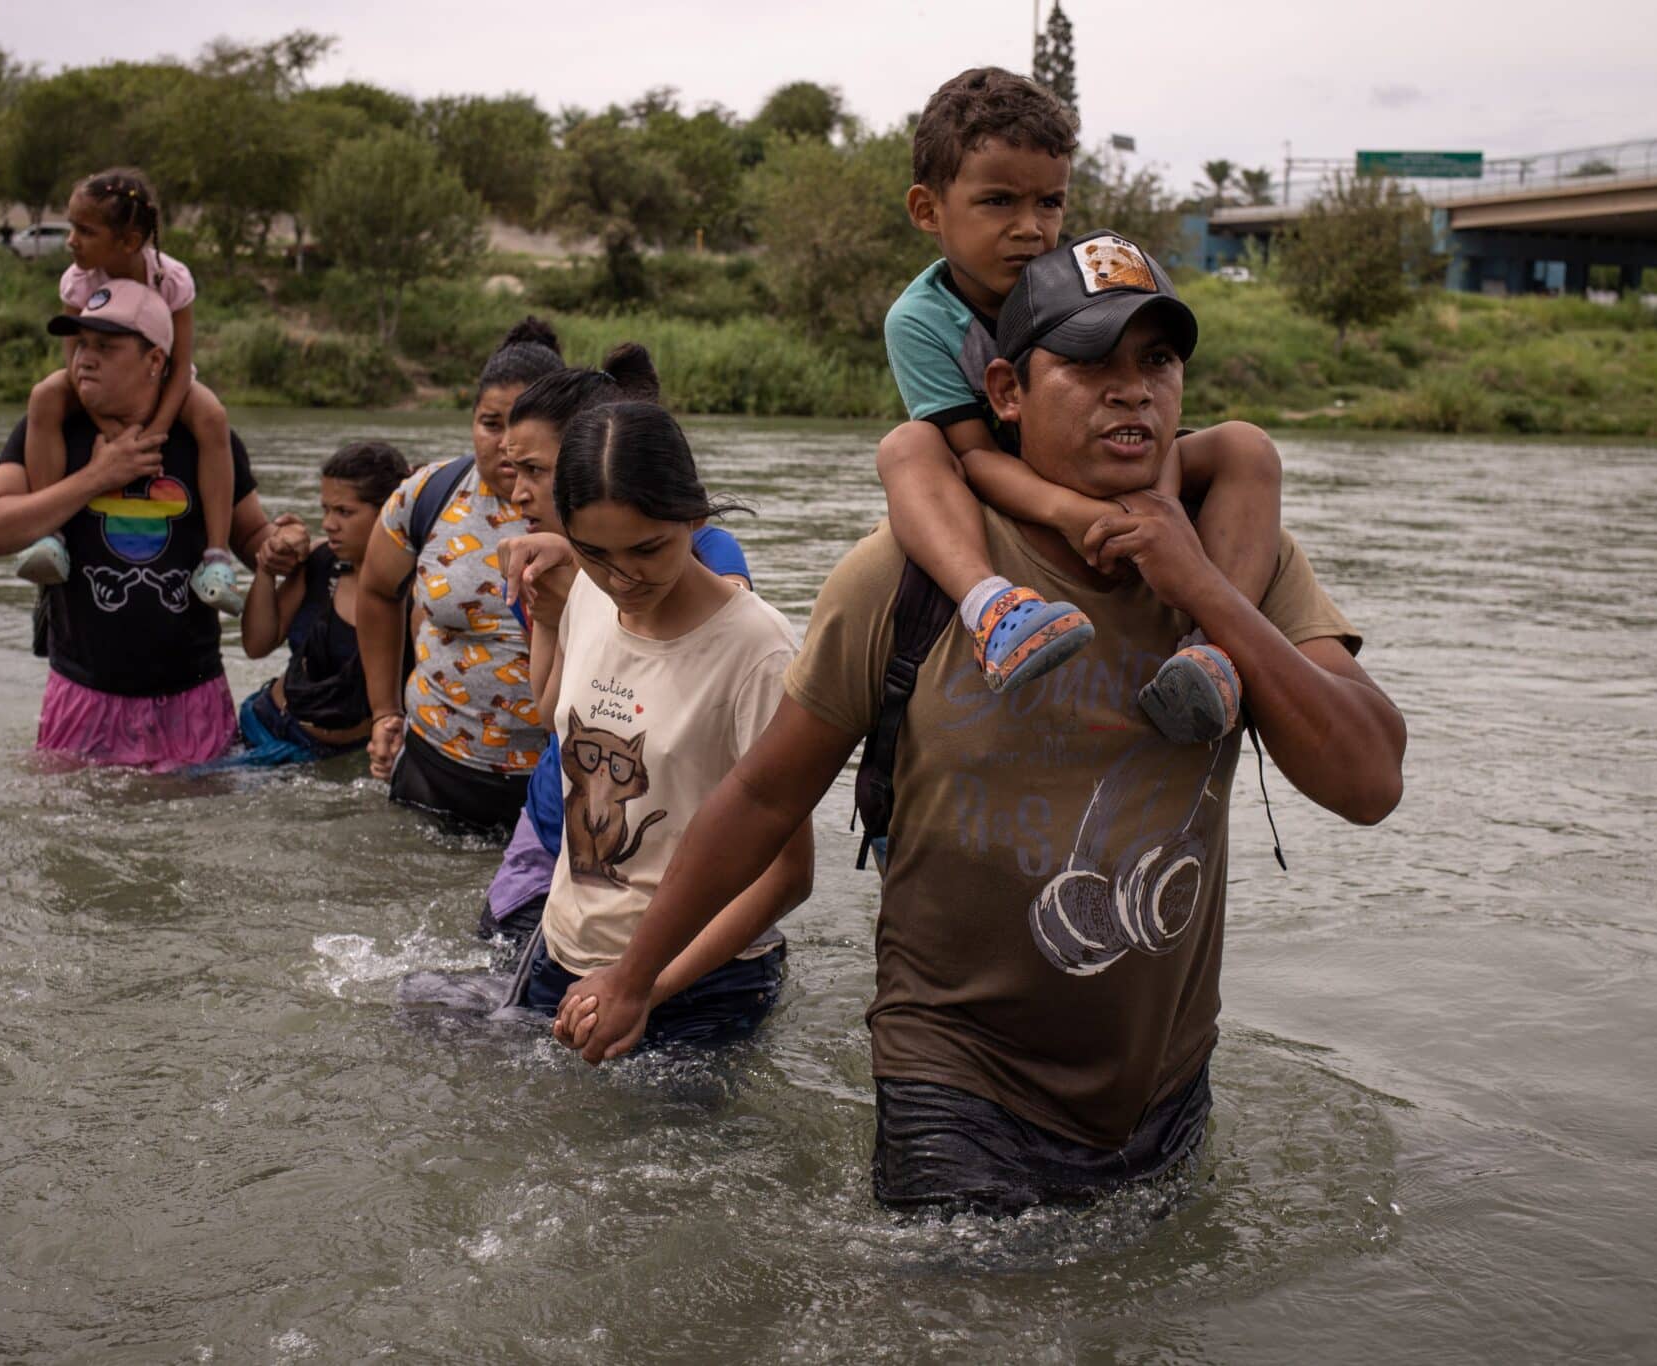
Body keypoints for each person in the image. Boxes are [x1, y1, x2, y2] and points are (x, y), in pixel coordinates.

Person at [557, 238, 1406, 1215]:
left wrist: (1207, 595)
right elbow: (761, 793)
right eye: (1090, 365)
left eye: (1157, 364)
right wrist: (633, 977)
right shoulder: (910, 574)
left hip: (1162, 1084)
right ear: (1005, 389)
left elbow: (1366, 781)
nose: (1131, 394)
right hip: (952, 1079)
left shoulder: (1240, 557)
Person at [879, 68, 1283, 745]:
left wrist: (1154, 506)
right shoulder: (920, 319)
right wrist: (1079, 517)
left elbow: (1146, 403)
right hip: (1004, 473)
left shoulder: (1074, 280)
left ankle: (1216, 651)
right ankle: (993, 608)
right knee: (907, 448)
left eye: (1050, 204)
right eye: (999, 202)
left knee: (1246, 446)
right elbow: (974, 453)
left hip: (1101, 457)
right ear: (928, 211)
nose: (1031, 229)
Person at [519, 400, 810, 1047]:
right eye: (595, 552)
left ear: (694, 517)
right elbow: (555, 717)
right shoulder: (587, 595)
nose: (622, 578)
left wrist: (643, 985)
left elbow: (789, 873)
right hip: (566, 954)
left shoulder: (757, 651)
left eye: (648, 549)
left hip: (701, 983)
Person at [476, 345, 752, 948]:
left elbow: (714, 648)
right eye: (512, 469)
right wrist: (551, 612)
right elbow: (551, 712)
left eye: (536, 471)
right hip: (554, 827)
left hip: (644, 856)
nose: (517, 492)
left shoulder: (695, 561)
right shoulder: (554, 563)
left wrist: (584, 568)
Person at [0, 279, 290, 771]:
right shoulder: (53, 432)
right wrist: (96, 476)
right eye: (80, 345)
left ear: (155, 361)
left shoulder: (203, 440)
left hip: (193, 698)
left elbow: (250, 537)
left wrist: (284, 544)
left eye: (106, 347)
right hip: (80, 696)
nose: (83, 359)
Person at [357, 319, 564, 838]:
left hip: (555, 784)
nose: (507, 445)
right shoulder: (429, 492)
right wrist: (384, 713)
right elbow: (378, 591)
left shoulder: (594, 502)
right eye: (491, 423)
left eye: (523, 425)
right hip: (434, 766)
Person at [12, 168, 245, 616]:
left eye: (85, 230)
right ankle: (50, 537)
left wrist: (152, 432)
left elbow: (178, 365)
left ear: (129, 240)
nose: (71, 240)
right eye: (71, 226)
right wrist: (105, 424)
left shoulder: (171, 279)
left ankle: (216, 559)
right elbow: (74, 360)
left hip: (162, 383)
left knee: (212, 415)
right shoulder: (77, 282)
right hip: (96, 382)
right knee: (44, 395)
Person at [230, 442, 412, 767]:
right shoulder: (318, 562)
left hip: (341, 755)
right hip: (268, 727)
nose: (328, 523)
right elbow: (257, 645)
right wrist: (266, 568)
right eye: (325, 509)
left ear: (390, 510)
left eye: (344, 512)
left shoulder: (416, 591)